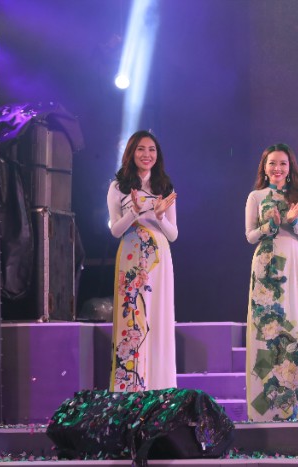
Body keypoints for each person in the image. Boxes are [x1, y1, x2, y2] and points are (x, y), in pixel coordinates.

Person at [245, 143, 298, 421]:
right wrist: (272, 225)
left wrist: (294, 223)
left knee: (291, 328)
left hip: (291, 262)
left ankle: (290, 408)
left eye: (283, 163)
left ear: (290, 168)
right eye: (272, 163)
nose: (277, 168)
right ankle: (263, 412)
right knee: (266, 331)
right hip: (265, 265)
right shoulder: (256, 196)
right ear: (264, 168)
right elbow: (250, 236)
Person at [107, 130, 178, 392]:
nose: (147, 155)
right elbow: (116, 230)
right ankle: (130, 387)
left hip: (158, 259)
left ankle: (159, 386)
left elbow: (173, 234)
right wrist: (134, 212)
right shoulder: (118, 187)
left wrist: (160, 217)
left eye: (152, 150)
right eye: (141, 149)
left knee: (157, 316)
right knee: (132, 316)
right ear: (131, 153)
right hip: (131, 256)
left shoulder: (164, 187)